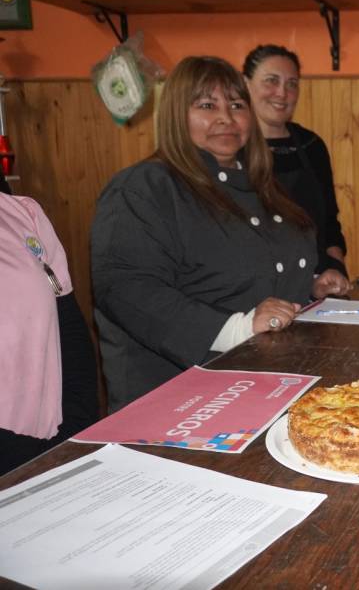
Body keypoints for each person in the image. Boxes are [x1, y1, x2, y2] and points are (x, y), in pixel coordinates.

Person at [91, 56, 317, 413]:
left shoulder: (261, 185)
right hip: (176, 403)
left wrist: (313, 280)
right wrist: (235, 329)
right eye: (207, 105)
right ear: (177, 115)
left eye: (237, 105)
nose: (226, 118)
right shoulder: (144, 188)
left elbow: (263, 264)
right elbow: (126, 289)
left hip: (269, 385)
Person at [1, 191, 98, 474]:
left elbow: (68, 331)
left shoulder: (23, 213)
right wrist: (30, 461)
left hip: (52, 454)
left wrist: (73, 438)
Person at [243, 45, 350, 297]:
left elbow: (329, 224)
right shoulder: (233, 149)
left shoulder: (311, 145)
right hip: (256, 291)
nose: (282, 93)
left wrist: (337, 272)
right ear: (246, 84)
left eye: (292, 84)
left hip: (317, 285)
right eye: (271, 81)